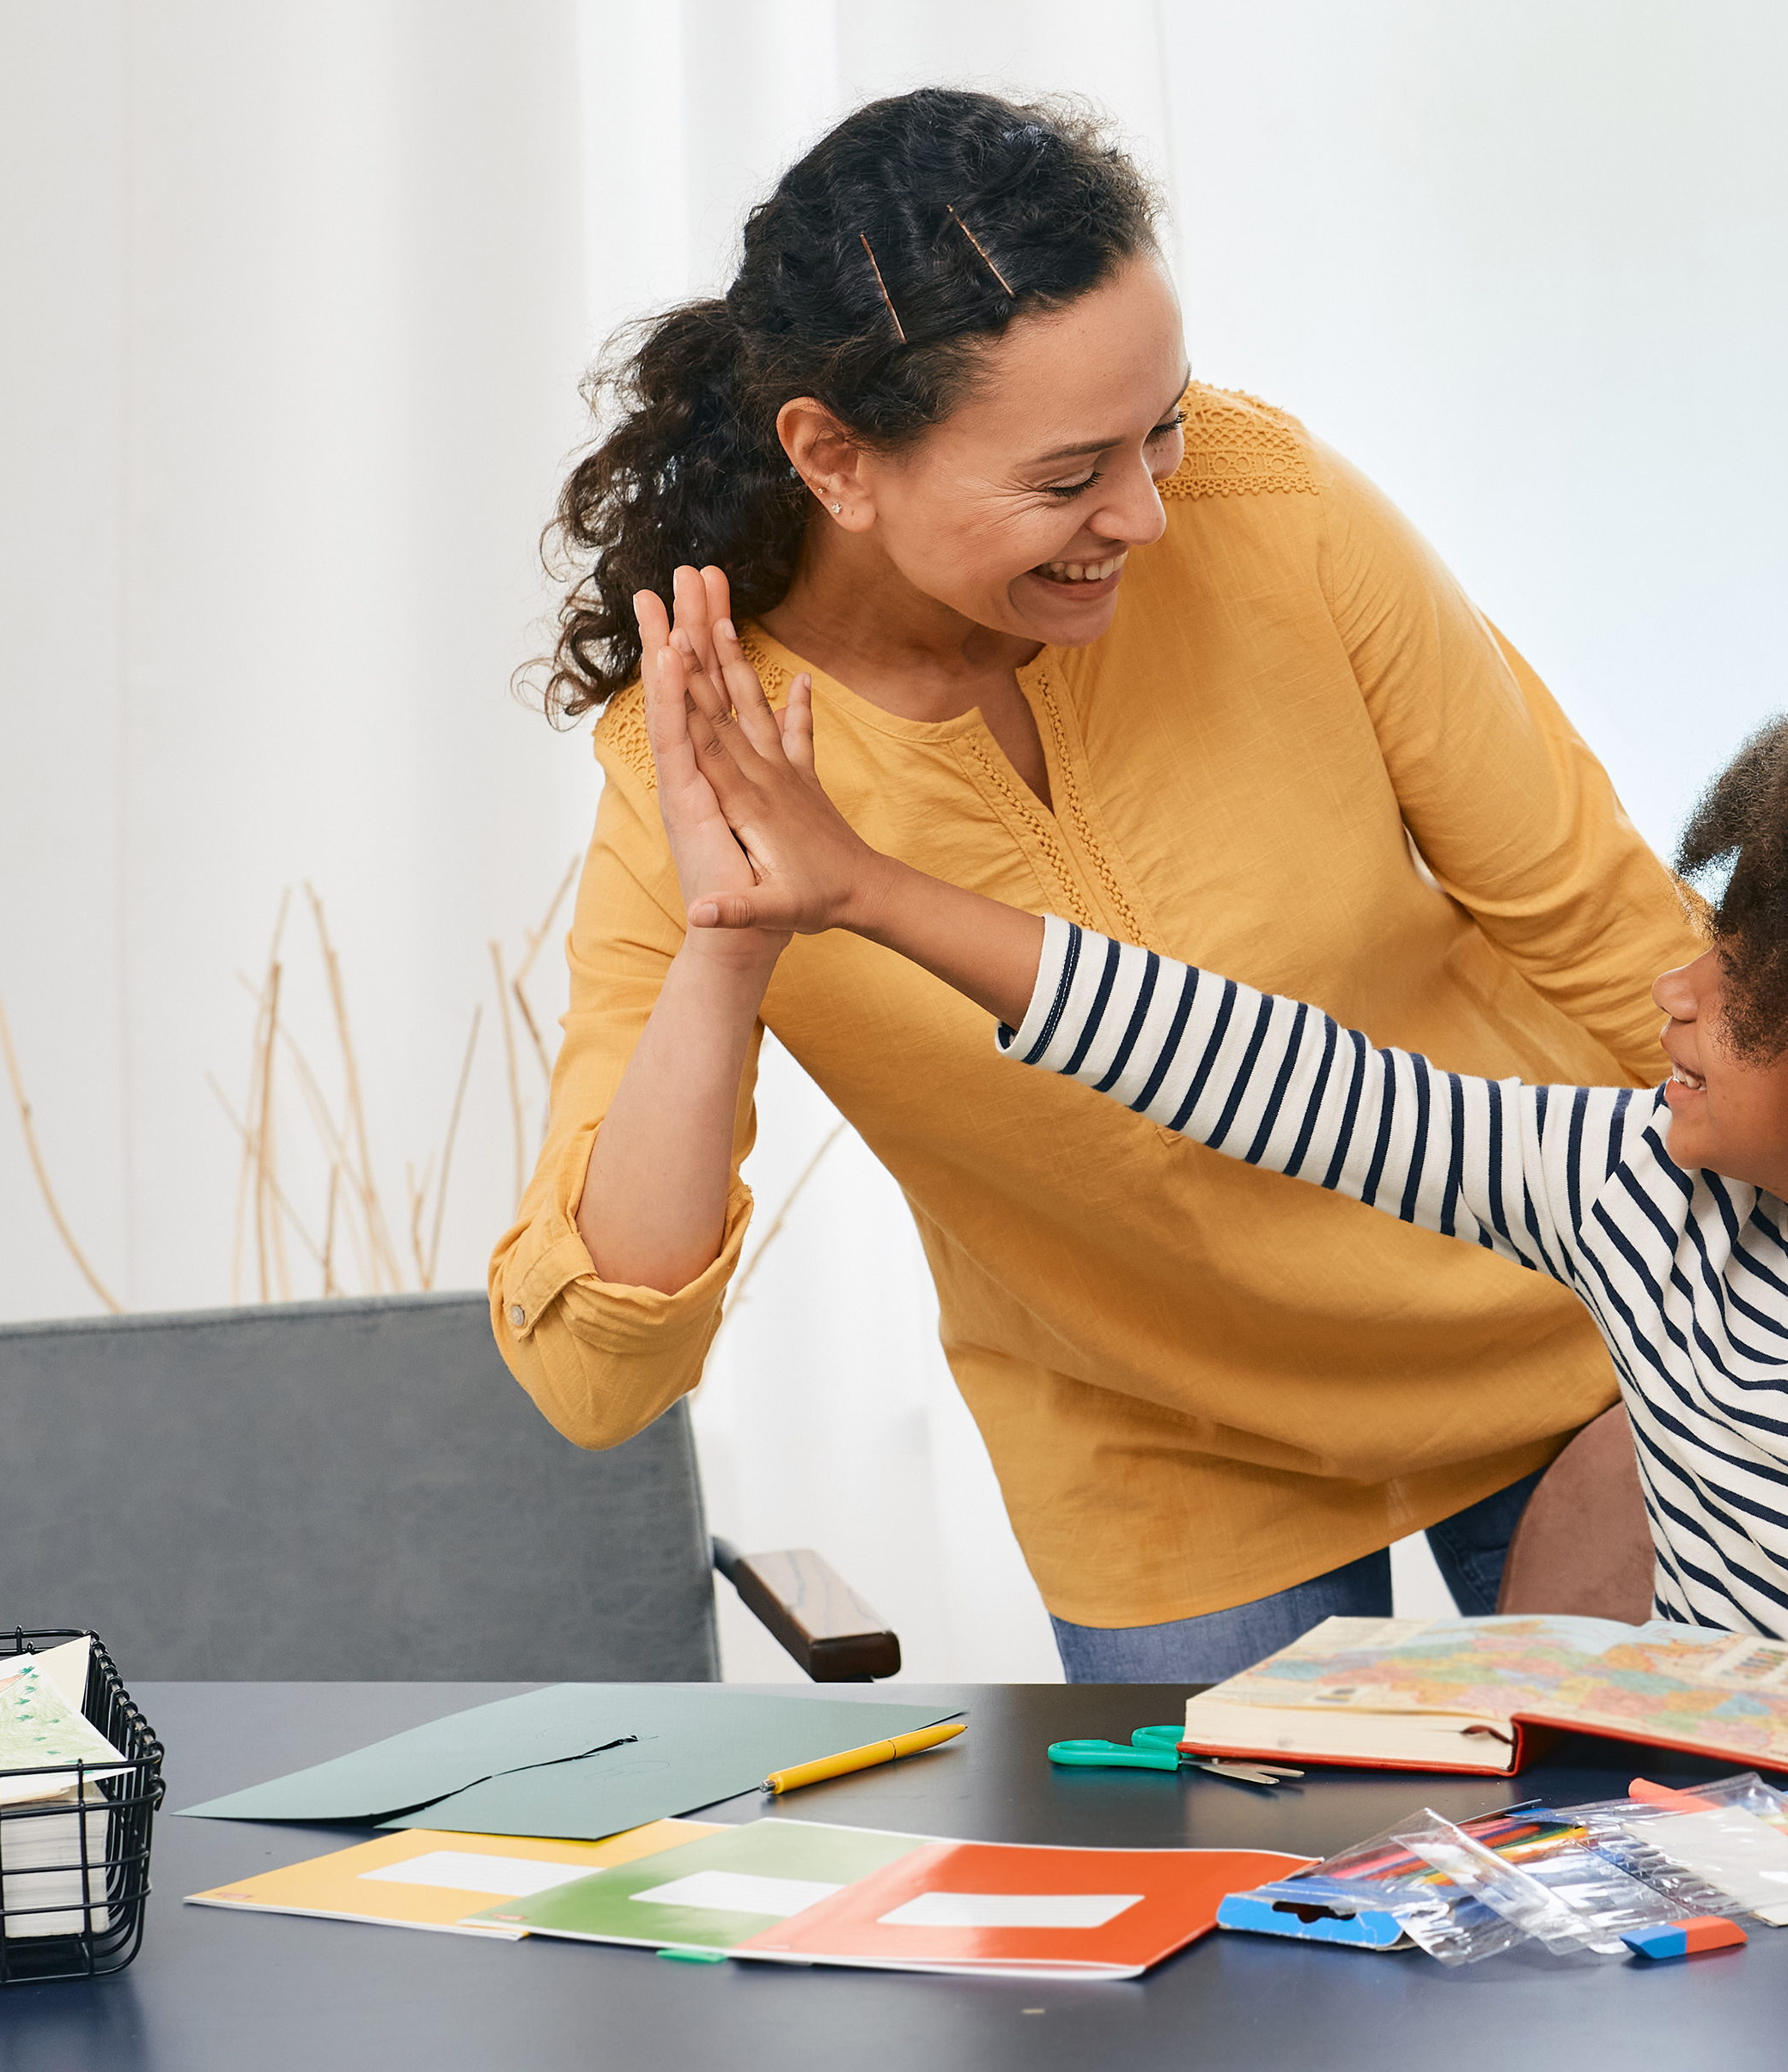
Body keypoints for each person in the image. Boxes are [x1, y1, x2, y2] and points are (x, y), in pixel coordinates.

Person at [644, 660, 1788, 1774]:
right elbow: (1265, 1070)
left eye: (1747, 986)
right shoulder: (1645, 1204)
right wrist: (870, 890)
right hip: (1732, 1910)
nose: (1678, 991)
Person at [489, 87, 1706, 1681]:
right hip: (1165, 1460)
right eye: (1069, 475)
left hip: (1569, 1342)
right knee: (1246, 1933)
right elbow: (598, 1373)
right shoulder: (703, 759)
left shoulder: (1269, 508)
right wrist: (729, 944)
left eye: (1162, 426)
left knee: (1686, 1885)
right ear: (834, 458)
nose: (1142, 512)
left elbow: (1610, 926)